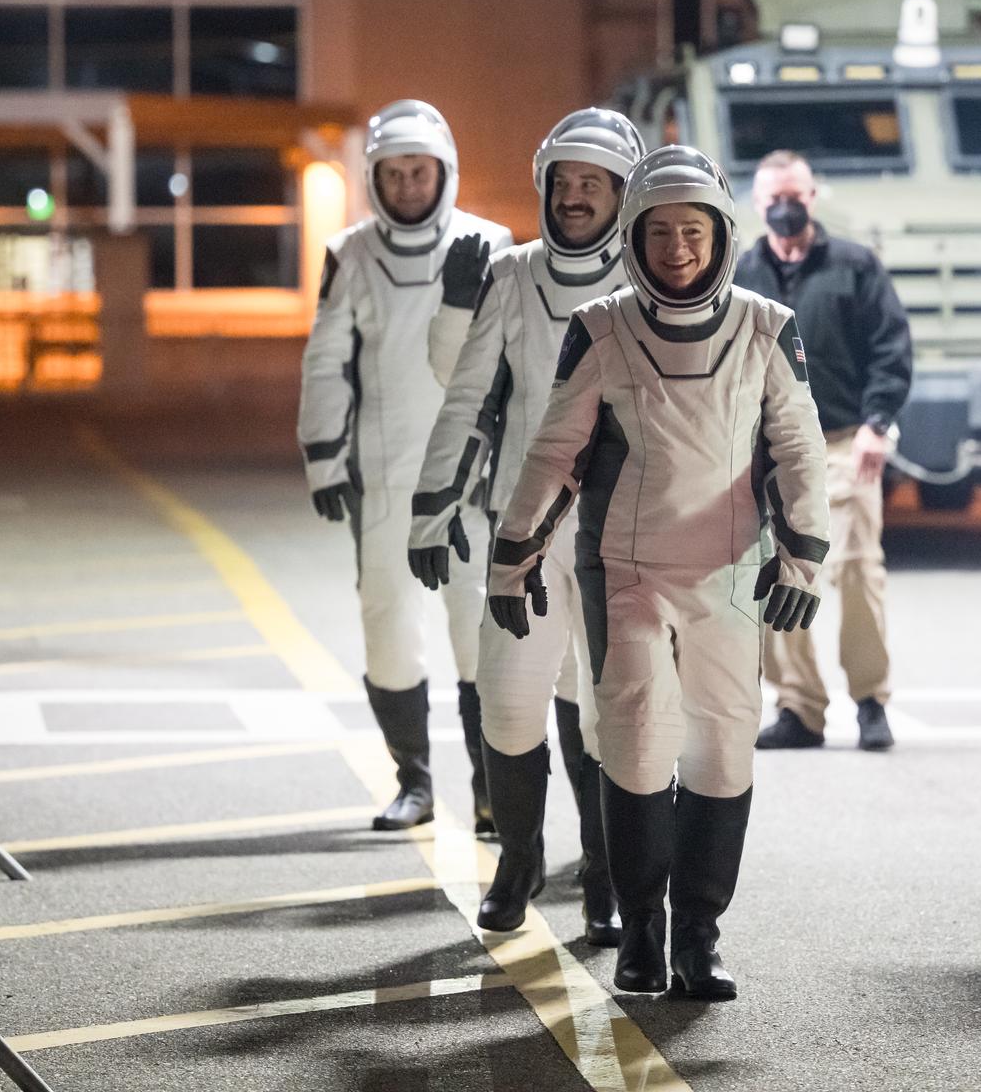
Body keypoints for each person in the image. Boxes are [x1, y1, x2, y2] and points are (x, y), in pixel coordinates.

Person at [487, 145, 831, 1001]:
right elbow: (554, 449)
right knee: (637, 746)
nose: (678, 247)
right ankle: (642, 929)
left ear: (722, 236)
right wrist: (513, 551)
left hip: (728, 574)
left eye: (694, 230)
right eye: (661, 231)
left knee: (722, 751)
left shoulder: (765, 326)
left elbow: (798, 448)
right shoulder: (600, 326)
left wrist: (806, 554)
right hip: (629, 571)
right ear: (634, 240)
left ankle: (700, 937)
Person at [410, 108, 642, 945]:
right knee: (507, 708)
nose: (576, 197)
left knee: (610, 713)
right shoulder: (510, 276)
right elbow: (468, 396)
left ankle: (607, 874)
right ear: (545, 186)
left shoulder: (656, 277)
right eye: (564, 182)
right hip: (525, 533)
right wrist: (431, 504)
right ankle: (519, 860)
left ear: (625, 192)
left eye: (594, 184)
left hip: (626, 535)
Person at [298, 99, 513, 831]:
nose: (409, 185)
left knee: (480, 629)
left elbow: (514, 359)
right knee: (389, 626)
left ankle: (492, 790)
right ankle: (414, 781)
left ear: (444, 172)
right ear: (375, 179)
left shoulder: (493, 243)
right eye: (394, 173)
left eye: (420, 171)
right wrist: (324, 456)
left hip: (471, 477)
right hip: (384, 474)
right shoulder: (349, 254)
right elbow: (326, 361)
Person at [735, 150, 910, 753]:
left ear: (813, 197)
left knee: (858, 569)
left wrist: (877, 424)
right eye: (773, 197)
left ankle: (870, 701)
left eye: (796, 195)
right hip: (769, 451)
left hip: (844, 444)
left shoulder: (855, 266)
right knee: (776, 574)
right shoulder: (740, 275)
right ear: (758, 205)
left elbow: (891, 351)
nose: (785, 206)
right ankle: (800, 709)